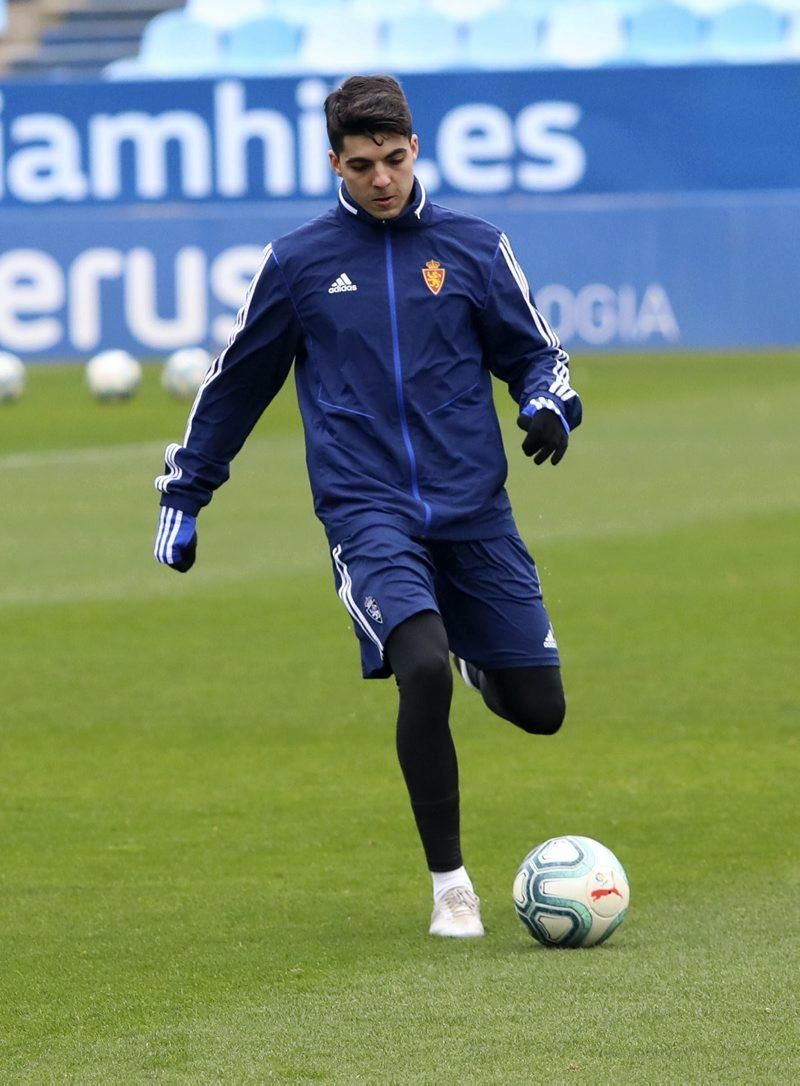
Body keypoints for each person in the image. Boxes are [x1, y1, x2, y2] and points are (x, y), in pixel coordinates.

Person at [154, 75, 582, 939]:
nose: (380, 179)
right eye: (360, 166)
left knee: (541, 710)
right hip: (366, 510)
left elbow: (537, 354)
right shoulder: (299, 265)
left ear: (414, 149)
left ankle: (475, 653)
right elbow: (236, 383)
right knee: (418, 667)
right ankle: (451, 886)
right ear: (334, 165)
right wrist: (187, 491)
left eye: (392, 160)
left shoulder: (474, 247)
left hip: (476, 512)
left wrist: (549, 406)